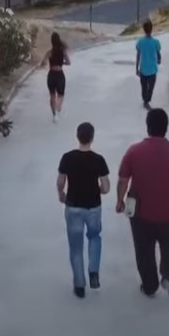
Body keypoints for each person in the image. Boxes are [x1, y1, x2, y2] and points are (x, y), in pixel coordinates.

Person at [116, 108, 169, 298]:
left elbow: (123, 180)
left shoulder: (134, 152)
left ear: (147, 126)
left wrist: (120, 200)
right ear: (166, 128)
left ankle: (149, 285)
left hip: (141, 214)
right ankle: (168, 275)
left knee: (144, 249)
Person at [57, 122, 111, 298]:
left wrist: (61, 194)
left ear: (77, 137)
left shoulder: (67, 158)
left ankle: (79, 285)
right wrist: (99, 190)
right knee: (95, 237)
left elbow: (60, 181)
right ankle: (93, 270)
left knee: (76, 247)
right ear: (92, 138)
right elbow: (106, 187)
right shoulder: (98, 160)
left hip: (73, 206)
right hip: (93, 207)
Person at [41, 32, 70, 123]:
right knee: (60, 95)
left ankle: (54, 114)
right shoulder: (63, 52)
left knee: (52, 95)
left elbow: (43, 62)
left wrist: (44, 64)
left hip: (51, 75)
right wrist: (61, 63)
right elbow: (69, 62)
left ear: (52, 42)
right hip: (60, 74)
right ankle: (58, 109)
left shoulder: (49, 52)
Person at [135, 20, 162, 109]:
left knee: (144, 86)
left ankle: (145, 100)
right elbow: (158, 53)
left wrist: (136, 68)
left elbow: (138, 56)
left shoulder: (140, 42)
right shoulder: (156, 42)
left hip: (143, 69)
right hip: (152, 69)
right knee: (150, 87)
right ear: (152, 29)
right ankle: (146, 101)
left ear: (143, 29)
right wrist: (159, 59)